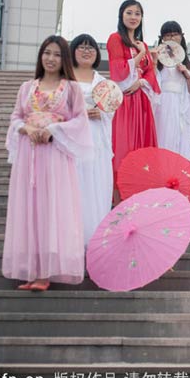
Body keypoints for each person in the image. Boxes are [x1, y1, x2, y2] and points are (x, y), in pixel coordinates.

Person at [2, 35, 92, 291]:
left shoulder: (72, 89)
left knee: (52, 208)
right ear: (41, 56)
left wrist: (54, 129)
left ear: (64, 58)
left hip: (56, 158)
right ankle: (31, 269)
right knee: (29, 209)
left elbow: (80, 122)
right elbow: (16, 117)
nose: (50, 59)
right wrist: (25, 128)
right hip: (29, 157)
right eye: (46, 53)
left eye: (56, 54)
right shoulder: (26, 87)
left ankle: (46, 272)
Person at [107, 0, 160, 178]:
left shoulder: (141, 43)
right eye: (129, 12)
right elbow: (118, 71)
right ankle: (117, 192)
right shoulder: (115, 39)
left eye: (137, 13)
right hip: (125, 100)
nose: (133, 17)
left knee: (141, 145)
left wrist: (141, 82)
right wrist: (141, 55)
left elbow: (150, 72)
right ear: (121, 15)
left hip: (141, 99)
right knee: (123, 143)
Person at [70, 33, 114, 247]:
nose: (86, 51)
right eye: (81, 47)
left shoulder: (103, 82)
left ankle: (94, 238)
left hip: (96, 137)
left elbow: (111, 110)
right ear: (73, 51)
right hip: (72, 139)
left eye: (91, 48)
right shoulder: (65, 80)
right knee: (74, 184)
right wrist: (82, 113)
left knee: (95, 184)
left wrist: (102, 114)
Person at [153, 21, 190, 159]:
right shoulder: (158, 61)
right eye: (167, 35)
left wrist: (187, 76)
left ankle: (178, 178)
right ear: (162, 39)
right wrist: (154, 63)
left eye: (175, 35)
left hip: (181, 106)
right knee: (163, 138)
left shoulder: (188, 63)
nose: (172, 39)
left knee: (181, 140)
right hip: (162, 104)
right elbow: (151, 83)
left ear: (181, 36)